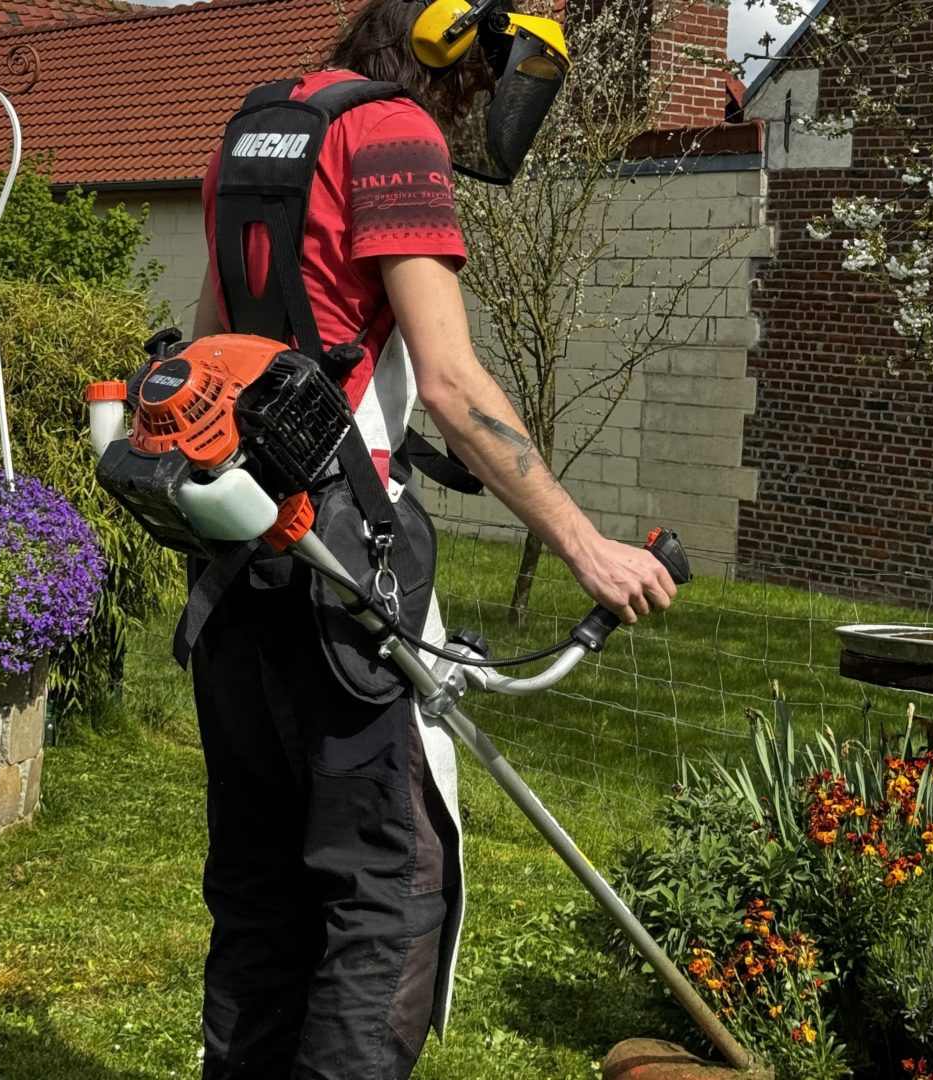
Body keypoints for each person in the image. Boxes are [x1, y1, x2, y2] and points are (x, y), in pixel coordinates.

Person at [187, 0, 677, 1076]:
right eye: (485, 80)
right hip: (341, 574)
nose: (477, 111)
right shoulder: (392, 133)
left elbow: (207, 337)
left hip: (238, 563)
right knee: (389, 896)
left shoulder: (262, 122)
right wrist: (587, 546)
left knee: (263, 892)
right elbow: (452, 383)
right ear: (454, 51)